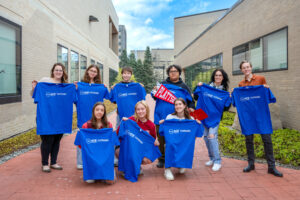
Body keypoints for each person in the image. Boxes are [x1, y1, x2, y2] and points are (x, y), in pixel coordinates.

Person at [237, 60, 283, 177]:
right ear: (242, 70)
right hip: (248, 117)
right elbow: (240, 101)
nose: (246, 69)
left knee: (267, 140)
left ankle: (271, 167)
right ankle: (251, 164)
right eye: (244, 68)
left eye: (248, 67)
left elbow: (266, 96)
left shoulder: (261, 79)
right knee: (248, 140)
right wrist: (235, 93)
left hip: (261, 115)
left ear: (251, 68)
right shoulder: (241, 84)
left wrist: (266, 88)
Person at [153, 64, 195, 168]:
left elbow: (190, 101)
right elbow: (154, 97)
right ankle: (162, 159)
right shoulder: (161, 85)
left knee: (176, 139)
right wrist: (155, 91)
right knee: (161, 138)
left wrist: (191, 108)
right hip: (161, 116)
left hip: (177, 119)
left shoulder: (184, 87)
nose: (173, 73)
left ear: (179, 73)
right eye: (171, 71)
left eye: (175, 71)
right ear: (168, 73)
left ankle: (177, 158)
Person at [31, 63, 68, 172]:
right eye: (56, 70)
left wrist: (75, 87)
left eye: (60, 70)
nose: (58, 72)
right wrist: (34, 88)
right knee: (48, 140)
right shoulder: (44, 82)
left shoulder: (65, 86)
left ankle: (54, 162)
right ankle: (45, 163)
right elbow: (35, 96)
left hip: (60, 118)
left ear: (63, 72)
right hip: (46, 117)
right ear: (53, 71)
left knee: (57, 140)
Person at [194, 69, 230, 172]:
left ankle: (218, 161)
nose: (218, 77)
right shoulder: (206, 87)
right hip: (203, 116)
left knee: (212, 137)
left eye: (220, 75)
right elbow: (196, 96)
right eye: (216, 75)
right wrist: (198, 86)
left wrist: (230, 97)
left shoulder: (224, 92)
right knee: (206, 138)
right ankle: (212, 158)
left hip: (214, 119)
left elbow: (226, 107)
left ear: (223, 78)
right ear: (213, 77)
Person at [74, 65, 109, 170]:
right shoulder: (79, 86)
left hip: (97, 118)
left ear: (97, 73)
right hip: (83, 117)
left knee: (95, 140)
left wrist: (107, 88)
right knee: (82, 138)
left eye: (95, 71)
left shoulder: (100, 87)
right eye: (91, 70)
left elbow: (110, 97)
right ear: (87, 71)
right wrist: (74, 88)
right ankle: (80, 162)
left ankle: (94, 160)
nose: (93, 73)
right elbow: (72, 98)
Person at [159, 98, 200, 181]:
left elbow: (196, 131)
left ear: (185, 106)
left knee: (187, 147)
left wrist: (198, 123)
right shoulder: (169, 117)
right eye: (176, 104)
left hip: (183, 142)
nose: (178, 106)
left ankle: (181, 164)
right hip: (172, 142)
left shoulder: (191, 119)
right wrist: (163, 123)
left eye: (180, 104)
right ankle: (167, 169)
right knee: (169, 146)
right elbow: (163, 132)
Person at [76, 102, 115, 184]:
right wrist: (80, 134)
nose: (99, 112)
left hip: (104, 156)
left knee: (110, 181)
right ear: (93, 111)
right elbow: (80, 145)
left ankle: (104, 170)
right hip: (92, 157)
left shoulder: (108, 125)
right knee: (90, 181)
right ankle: (92, 169)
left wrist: (115, 131)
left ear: (104, 112)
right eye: (97, 110)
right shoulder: (86, 125)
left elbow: (113, 142)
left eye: (102, 110)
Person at [116, 101, 159, 172]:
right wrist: (122, 123)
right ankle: (126, 164)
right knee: (118, 151)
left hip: (140, 149)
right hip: (129, 147)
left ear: (146, 109)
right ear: (135, 111)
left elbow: (151, 141)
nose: (140, 111)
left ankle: (137, 165)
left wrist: (156, 141)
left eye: (142, 109)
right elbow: (118, 133)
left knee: (147, 159)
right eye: (138, 109)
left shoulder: (151, 125)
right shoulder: (130, 120)